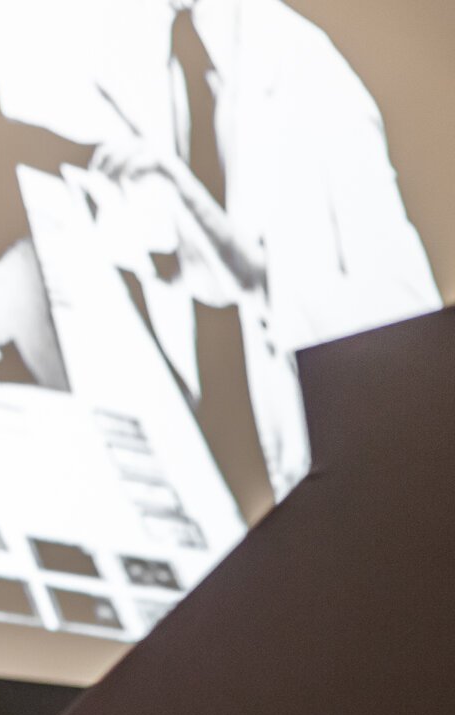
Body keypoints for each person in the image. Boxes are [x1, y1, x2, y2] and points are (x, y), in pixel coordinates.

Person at [88, 0, 440, 510]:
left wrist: (248, 269)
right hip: (224, 455)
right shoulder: (169, 48)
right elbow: (210, 278)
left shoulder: (314, 76)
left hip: (355, 482)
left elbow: (408, 332)